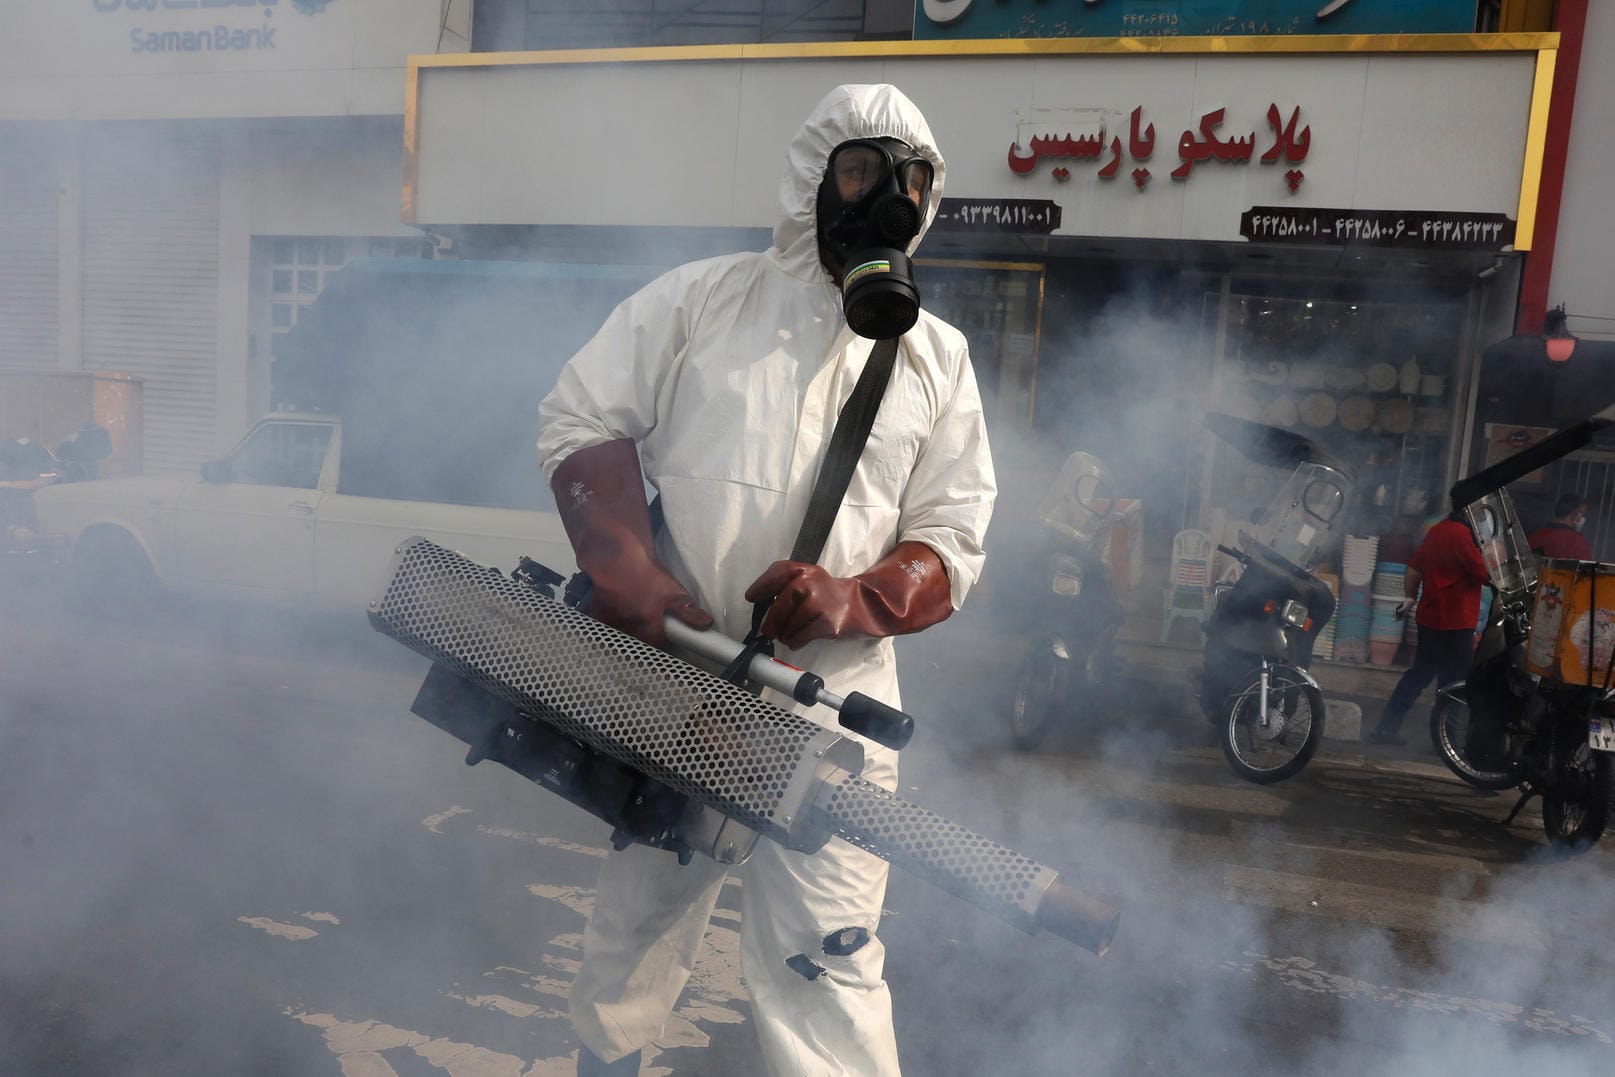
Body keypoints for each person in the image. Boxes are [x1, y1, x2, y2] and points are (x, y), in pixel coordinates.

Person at [536, 84, 995, 1077]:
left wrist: (857, 598)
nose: (886, 202)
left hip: (835, 713)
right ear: (811, 179)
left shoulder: (936, 359)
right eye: (862, 173)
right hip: (680, 680)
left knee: (826, 964)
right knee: (635, 938)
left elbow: (954, 536)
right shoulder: (700, 303)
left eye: (908, 180)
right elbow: (581, 418)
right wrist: (632, 580)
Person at [1366, 511, 1489, 746]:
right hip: (1456, 621)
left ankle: (1386, 728)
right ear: (1470, 511)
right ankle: (1447, 742)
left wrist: (1410, 597)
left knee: (1419, 675)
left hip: (1430, 618)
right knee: (1453, 683)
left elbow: (1414, 567)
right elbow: (1485, 574)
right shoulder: (1463, 536)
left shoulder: (1437, 531)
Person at [1526, 493, 1592, 561]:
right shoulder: (1579, 542)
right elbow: (1585, 569)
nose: (1583, 519)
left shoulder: (1536, 536)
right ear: (1575, 514)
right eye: (1583, 515)